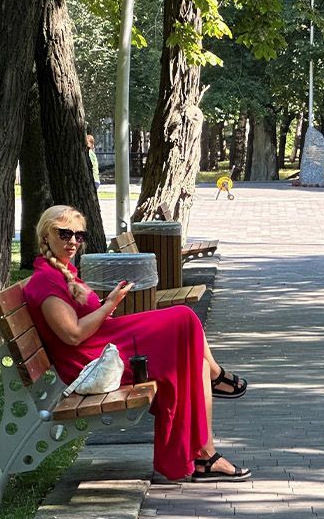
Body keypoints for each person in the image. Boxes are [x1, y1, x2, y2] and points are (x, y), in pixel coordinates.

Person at [23, 205, 250, 482]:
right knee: (184, 319)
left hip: (106, 348)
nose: (72, 241)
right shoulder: (46, 281)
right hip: (93, 362)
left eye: (79, 235)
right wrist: (109, 304)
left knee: (196, 362)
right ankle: (217, 379)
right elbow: (73, 335)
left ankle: (205, 455)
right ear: (46, 235)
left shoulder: (60, 272)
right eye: (65, 233)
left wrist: (107, 306)